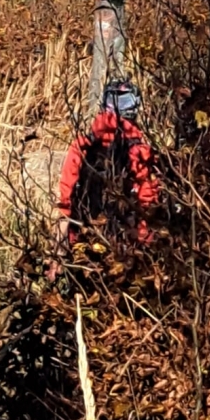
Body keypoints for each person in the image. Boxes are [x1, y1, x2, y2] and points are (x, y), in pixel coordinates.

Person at [49, 79, 160, 277]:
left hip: (83, 248)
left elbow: (65, 204)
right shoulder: (141, 152)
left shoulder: (81, 146)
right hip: (126, 252)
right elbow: (149, 206)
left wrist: (58, 255)